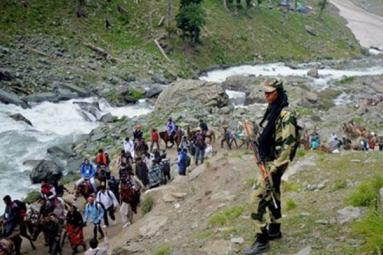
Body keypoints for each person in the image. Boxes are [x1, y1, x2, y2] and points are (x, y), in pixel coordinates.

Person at [244, 79, 298, 255]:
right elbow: (268, 133)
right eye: (265, 93)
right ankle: (275, 230)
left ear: (279, 92)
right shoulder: (272, 109)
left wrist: (274, 169)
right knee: (273, 193)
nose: (266, 96)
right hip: (268, 160)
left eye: (270, 93)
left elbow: (288, 146)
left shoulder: (286, 115)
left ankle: (262, 241)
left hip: (275, 163)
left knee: (255, 199)